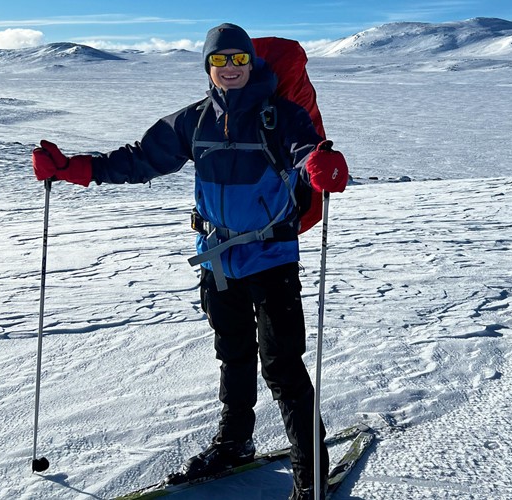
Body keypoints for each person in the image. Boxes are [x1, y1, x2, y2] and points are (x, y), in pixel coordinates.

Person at [32, 23, 348, 499]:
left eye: (238, 59)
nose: (230, 69)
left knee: (283, 367)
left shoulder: (280, 116)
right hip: (218, 262)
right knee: (233, 355)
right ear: (207, 66)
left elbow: (305, 151)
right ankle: (235, 443)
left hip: (271, 257)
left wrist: (319, 166)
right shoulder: (193, 121)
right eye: (220, 61)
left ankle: (312, 481)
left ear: (251, 62)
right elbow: (140, 159)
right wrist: (76, 169)